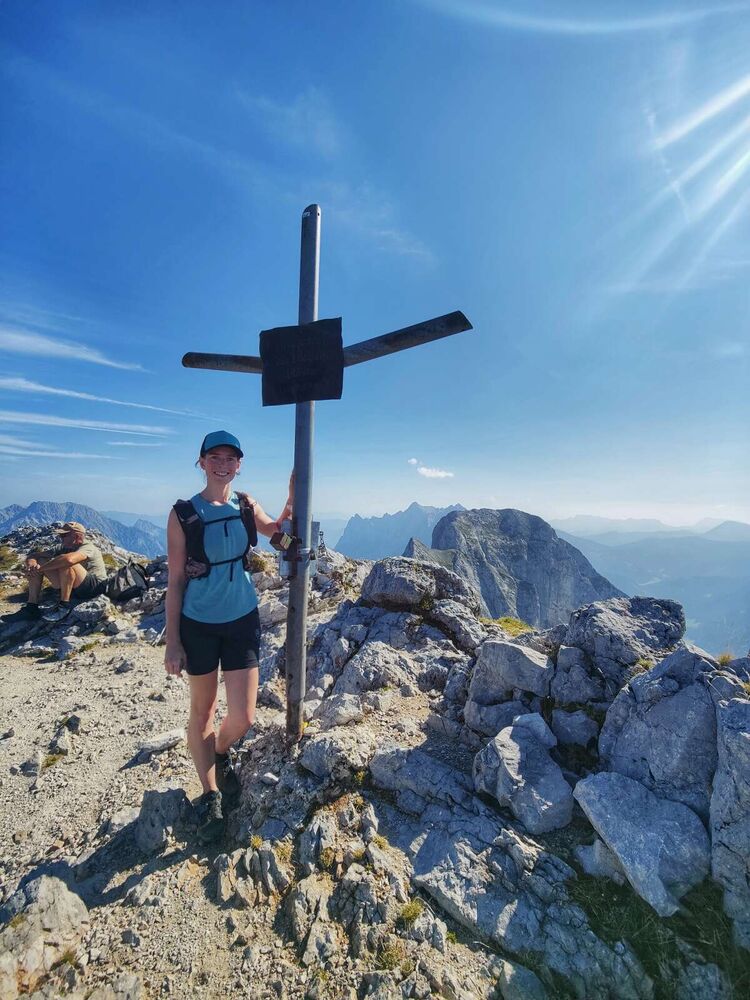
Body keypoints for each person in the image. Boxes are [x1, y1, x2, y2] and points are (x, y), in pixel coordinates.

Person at [164, 430, 293, 843]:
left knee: (244, 717)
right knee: (202, 712)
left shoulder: (245, 505)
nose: (223, 465)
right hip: (198, 623)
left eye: (230, 458)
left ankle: (220, 751)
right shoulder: (183, 514)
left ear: (239, 464)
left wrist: (293, 497)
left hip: (241, 619)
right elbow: (175, 581)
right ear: (201, 462)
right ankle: (210, 794)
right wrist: (172, 641)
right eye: (215, 457)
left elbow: (277, 535)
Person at [4, 521, 107, 623]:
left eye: (64, 535)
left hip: (94, 587)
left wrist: (40, 569)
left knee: (65, 562)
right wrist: (32, 566)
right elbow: (34, 556)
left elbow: (69, 560)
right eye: (60, 535)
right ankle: (32, 607)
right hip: (75, 586)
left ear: (76, 536)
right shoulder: (63, 547)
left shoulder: (88, 547)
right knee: (41, 560)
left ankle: (64, 606)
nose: (61, 537)